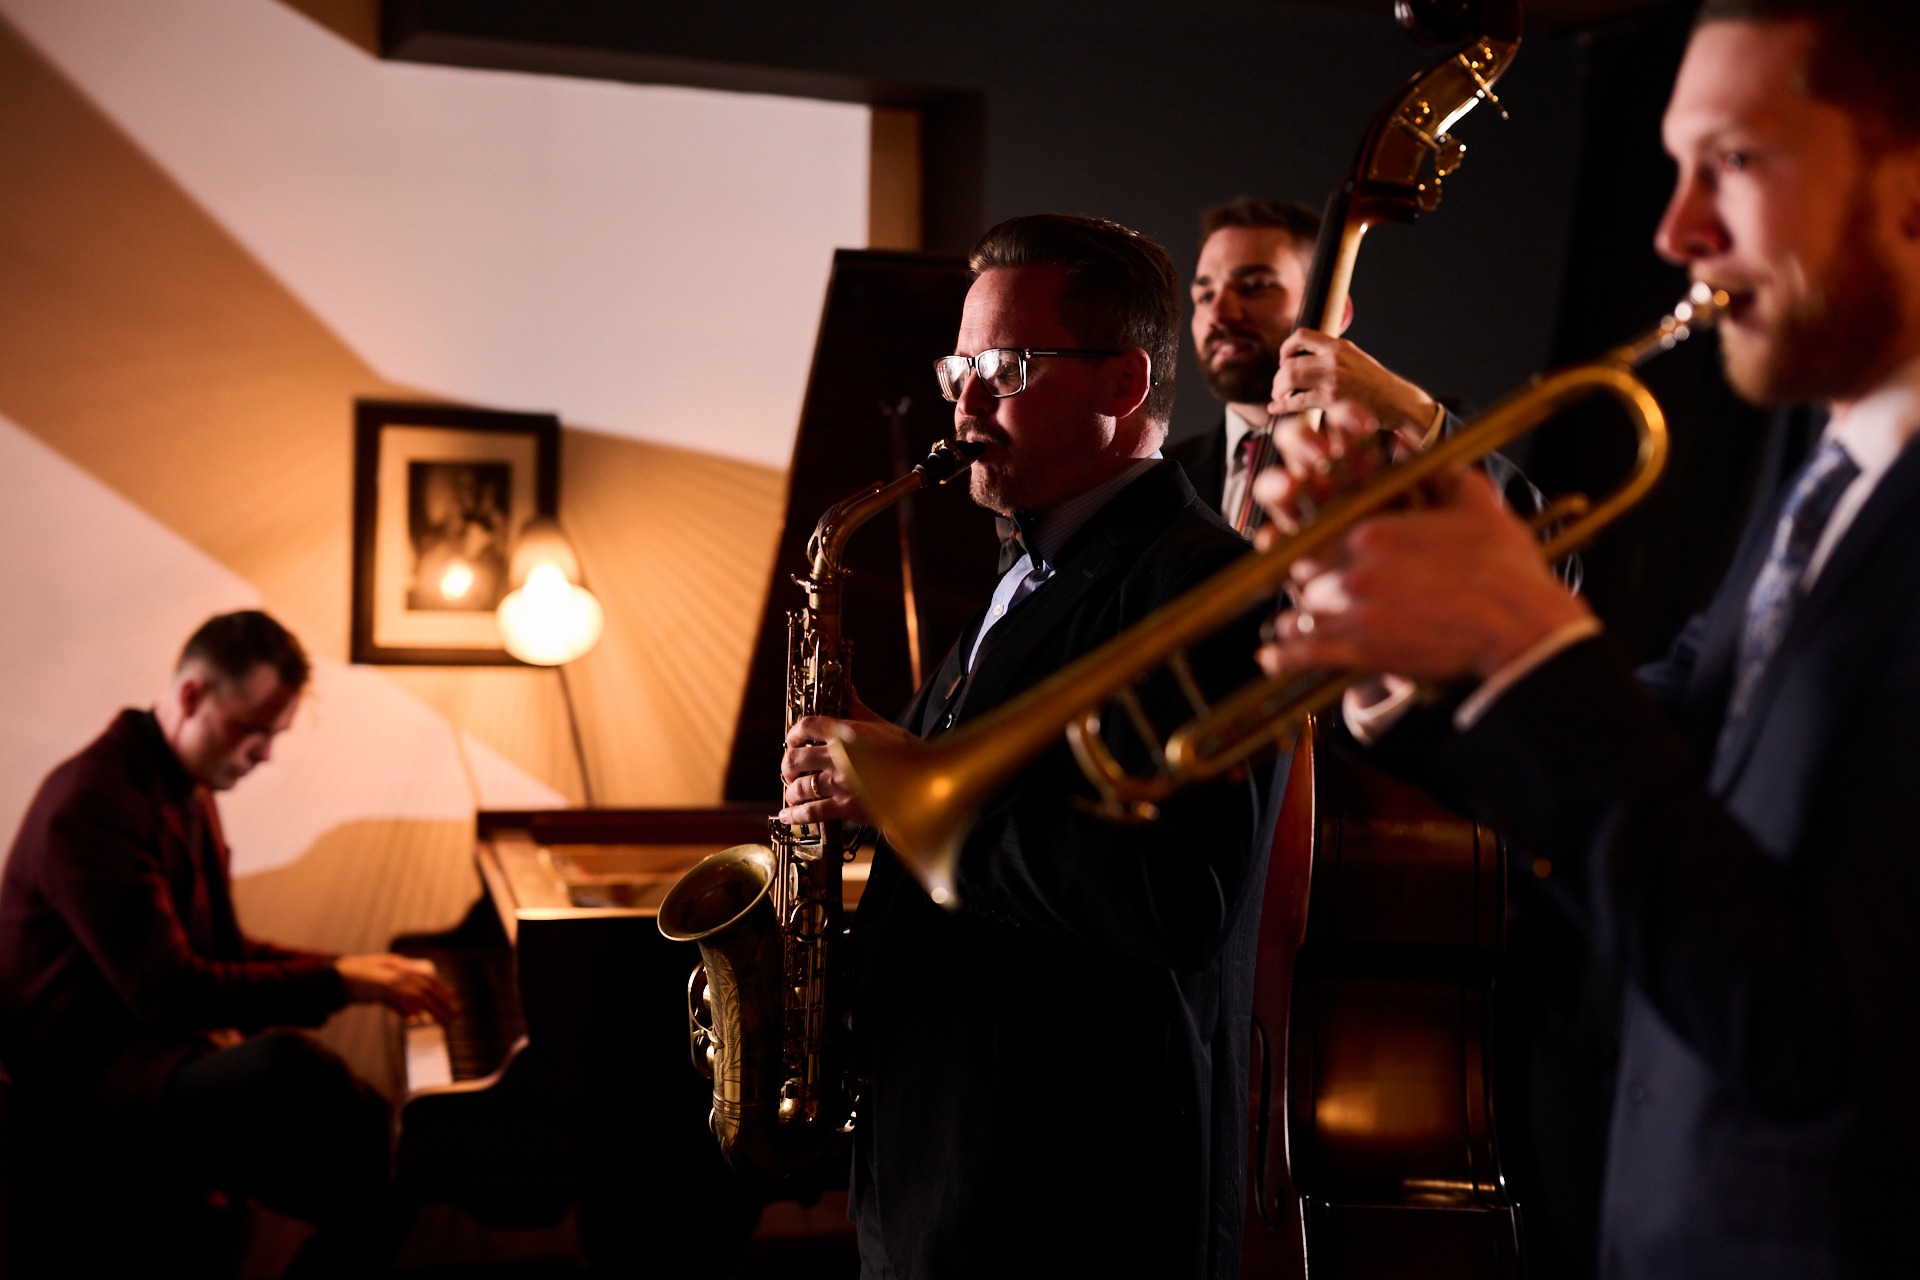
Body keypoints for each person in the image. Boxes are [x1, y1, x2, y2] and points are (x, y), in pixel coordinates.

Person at [1253, 2, 1920, 1275]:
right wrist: (1422, 650)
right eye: (1676, 167)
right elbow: (1685, 727)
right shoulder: (1835, 472)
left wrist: (1531, 646)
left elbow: (1831, 1034)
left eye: (1735, 159)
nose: (1676, 231)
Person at [779, 215, 1270, 1280]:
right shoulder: (1023, 571)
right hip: (945, 1157)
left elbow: (1179, 898)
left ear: (1124, 383)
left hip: (1066, 1193)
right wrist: (873, 759)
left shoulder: (1201, 587)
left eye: (1005, 367)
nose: (965, 401)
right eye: (959, 367)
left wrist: (912, 790)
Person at [0, 610, 455, 1276]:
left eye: (275, 735)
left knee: (379, 1179)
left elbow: (221, 948)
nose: (264, 754)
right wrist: (339, 984)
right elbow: (170, 992)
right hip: (86, 1087)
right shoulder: (93, 802)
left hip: (151, 1058)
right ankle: (419, 1160)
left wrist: (346, 966)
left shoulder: (181, 782)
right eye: (253, 730)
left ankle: (412, 1160)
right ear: (192, 696)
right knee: (290, 1073)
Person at [1173, 196, 1451, 526]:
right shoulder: (1166, 478)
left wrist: (1413, 412)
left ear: (1334, 311)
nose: (1219, 314)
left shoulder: (1410, 443)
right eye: (1205, 296)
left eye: (1255, 286)